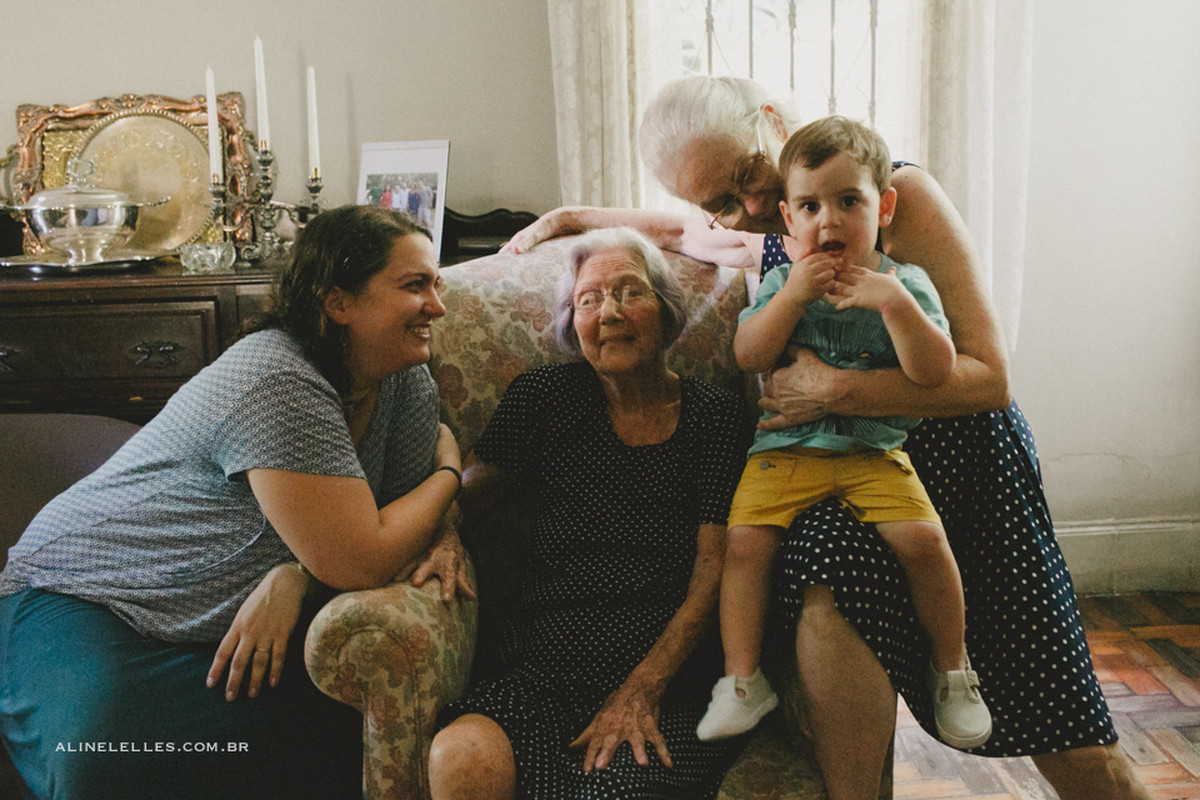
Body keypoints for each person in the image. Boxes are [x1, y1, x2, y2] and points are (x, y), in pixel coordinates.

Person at [504, 75, 1148, 800]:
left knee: (1072, 742)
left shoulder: (892, 193)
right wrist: (569, 214)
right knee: (819, 601)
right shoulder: (774, 224)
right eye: (721, 201)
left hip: (964, 479)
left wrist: (836, 389)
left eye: (747, 177)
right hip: (844, 486)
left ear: (773, 121)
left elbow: (989, 378)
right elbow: (683, 230)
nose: (743, 210)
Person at [0, 205, 473, 800]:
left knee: (341, 725)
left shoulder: (405, 382)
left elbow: (400, 523)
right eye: (415, 286)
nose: (438, 306)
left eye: (437, 284)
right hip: (91, 595)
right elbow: (362, 560)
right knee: (106, 764)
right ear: (338, 302)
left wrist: (296, 576)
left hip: (218, 621)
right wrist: (450, 472)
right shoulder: (277, 379)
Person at [695, 115, 992, 753]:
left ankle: (954, 670)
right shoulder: (781, 281)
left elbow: (936, 372)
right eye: (810, 207)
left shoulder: (904, 284)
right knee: (744, 547)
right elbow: (750, 353)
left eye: (848, 202)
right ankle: (742, 681)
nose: (828, 221)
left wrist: (896, 306)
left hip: (872, 450)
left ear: (883, 207)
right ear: (788, 220)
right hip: (784, 454)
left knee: (924, 541)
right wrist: (791, 300)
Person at [427, 227, 748, 800]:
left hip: (667, 681)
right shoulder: (545, 398)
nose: (610, 313)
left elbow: (713, 576)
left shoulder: (716, 420)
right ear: (572, 325)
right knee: (460, 757)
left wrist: (642, 688)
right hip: (540, 670)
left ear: (668, 312)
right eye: (589, 300)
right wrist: (446, 535)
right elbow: (464, 490)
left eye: (630, 292)